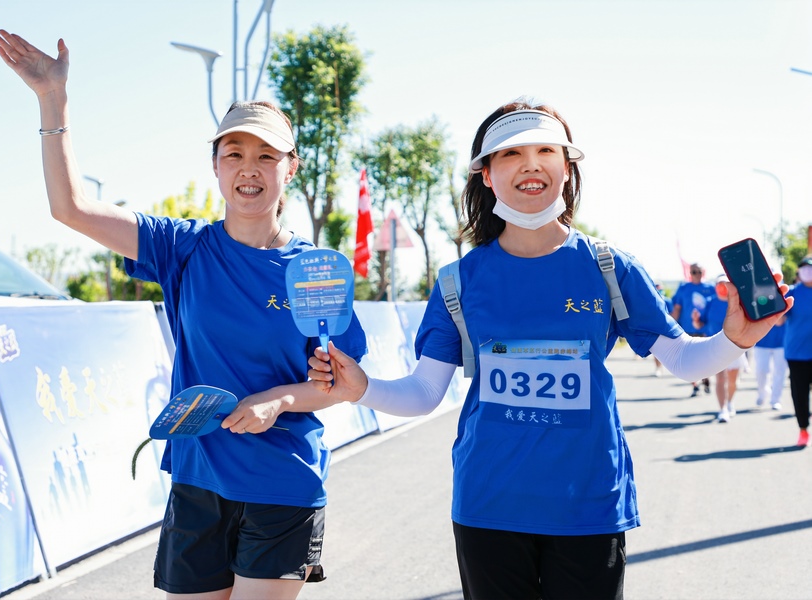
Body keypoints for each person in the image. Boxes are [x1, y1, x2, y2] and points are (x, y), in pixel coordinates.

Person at [306, 98, 790, 600]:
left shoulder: (610, 267)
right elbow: (426, 391)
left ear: (567, 167)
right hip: (489, 504)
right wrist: (362, 389)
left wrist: (737, 338)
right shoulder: (458, 281)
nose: (531, 164)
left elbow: (685, 361)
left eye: (545, 151)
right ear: (487, 174)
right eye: (511, 153)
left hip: (589, 505)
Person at [0, 30, 368, 599]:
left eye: (266, 156)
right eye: (234, 154)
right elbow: (70, 208)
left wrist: (279, 399)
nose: (249, 169)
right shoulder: (182, 247)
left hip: (282, 484)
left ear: (290, 168)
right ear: (215, 166)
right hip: (198, 480)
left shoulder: (316, 271)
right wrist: (53, 99)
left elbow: (343, 385)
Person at [693, 275, 748, 422]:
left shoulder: (738, 301)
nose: (722, 287)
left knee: (732, 380)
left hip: (735, 345)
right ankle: (722, 409)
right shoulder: (710, 302)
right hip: (716, 346)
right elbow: (699, 325)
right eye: (719, 284)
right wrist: (696, 320)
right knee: (720, 378)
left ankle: (730, 402)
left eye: (725, 284)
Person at [671, 263, 715, 397]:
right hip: (687, 330)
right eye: (693, 272)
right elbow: (677, 308)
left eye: (699, 272)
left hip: (705, 330)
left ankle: (706, 379)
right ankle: (695, 385)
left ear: (703, 272)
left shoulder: (710, 288)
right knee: (690, 360)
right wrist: (669, 326)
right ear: (690, 273)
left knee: (705, 359)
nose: (696, 274)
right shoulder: (684, 288)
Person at [785, 255, 812, 447]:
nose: (808, 271)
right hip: (797, 354)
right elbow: (779, 321)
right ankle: (803, 429)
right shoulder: (792, 293)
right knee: (800, 394)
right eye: (804, 268)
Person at [754, 317, 787, 411]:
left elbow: (780, 322)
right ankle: (763, 393)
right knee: (761, 371)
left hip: (781, 341)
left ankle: (776, 400)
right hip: (761, 342)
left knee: (779, 372)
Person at [653, 282, 674, 376]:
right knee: (656, 350)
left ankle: (668, 366)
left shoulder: (668, 301)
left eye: (660, 289)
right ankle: (658, 368)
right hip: (655, 328)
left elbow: (672, 314)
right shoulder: (652, 300)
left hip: (666, 328)